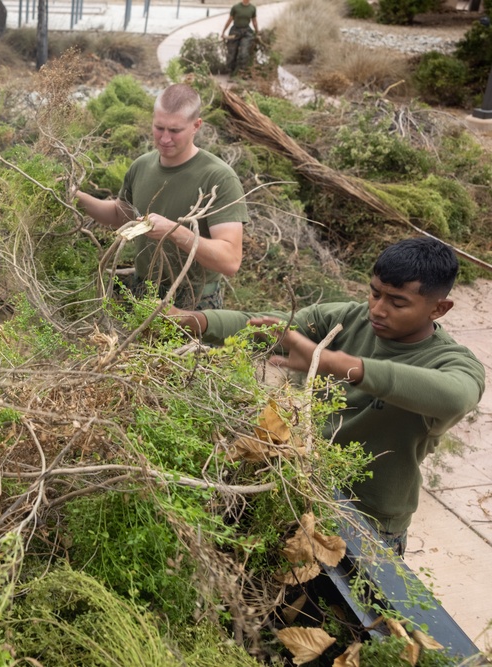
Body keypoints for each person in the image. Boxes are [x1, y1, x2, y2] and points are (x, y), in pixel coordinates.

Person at [166, 237, 485, 555]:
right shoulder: (347, 319)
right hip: (302, 486)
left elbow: (456, 396)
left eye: (397, 302)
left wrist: (334, 363)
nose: (377, 309)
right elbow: (272, 325)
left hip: (370, 520)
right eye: (374, 293)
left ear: (439, 309)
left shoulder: (452, 362)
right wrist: (194, 320)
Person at [75, 83, 249, 310]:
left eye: (175, 131)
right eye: (159, 128)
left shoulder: (219, 178)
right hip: (143, 295)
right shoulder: (142, 166)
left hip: (195, 304)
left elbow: (230, 261)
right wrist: (75, 196)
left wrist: (173, 232)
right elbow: (120, 215)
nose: (165, 138)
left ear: (196, 126)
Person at [221, 0, 259, 76]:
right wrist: (223, 31)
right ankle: (230, 71)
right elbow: (230, 20)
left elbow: (254, 21)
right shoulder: (235, 7)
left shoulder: (252, 8)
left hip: (246, 32)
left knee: (244, 52)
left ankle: (242, 72)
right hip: (235, 31)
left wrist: (257, 32)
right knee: (232, 53)